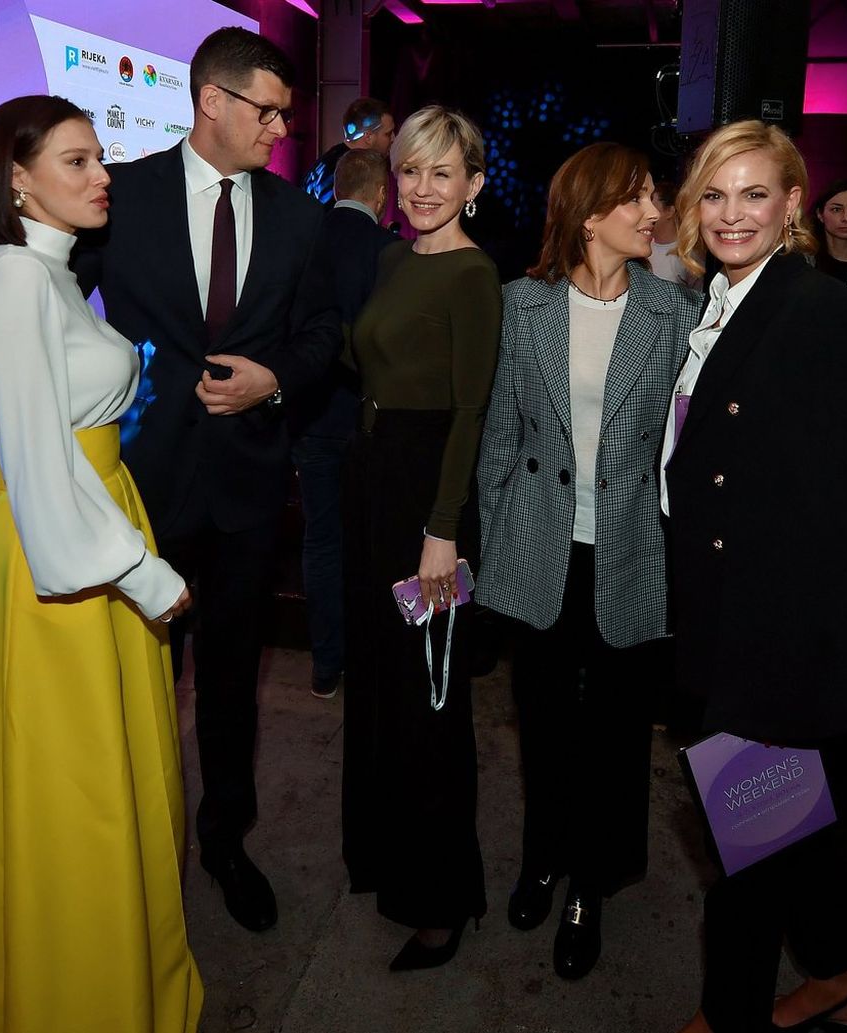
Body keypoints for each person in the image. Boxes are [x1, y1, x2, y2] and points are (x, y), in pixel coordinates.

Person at [0, 28, 339, 933]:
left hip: (247, 490)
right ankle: (145, 857)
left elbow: (321, 339)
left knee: (231, 683)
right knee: (136, 691)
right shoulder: (118, 197)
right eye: (266, 111)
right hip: (134, 495)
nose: (281, 129)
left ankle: (226, 842)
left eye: (284, 114)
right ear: (213, 101)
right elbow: (19, 327)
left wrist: (273, 380)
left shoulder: (299, 217)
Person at [0, 95, 200, 1033]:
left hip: (95, 532)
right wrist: (143, 573)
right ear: (17, 177)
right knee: (77, 790)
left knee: (111, 777)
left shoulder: (48, 274)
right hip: (65, 555)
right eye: (78, 160)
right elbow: (38, 461)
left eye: (101, 157)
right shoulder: (15, 278)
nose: (103, 177)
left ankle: (118, 983)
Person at [667, 121, 847, 1033]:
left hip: (771, 622)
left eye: (754, 193)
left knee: (746, 841)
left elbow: (829, 505)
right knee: (791, 825)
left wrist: (775, 651)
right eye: (714, 195)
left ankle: (731, 1012)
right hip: (721, 607)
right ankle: (838, 976)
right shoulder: (722, 300)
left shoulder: (820, 310)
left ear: (794, 203)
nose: (731, 214)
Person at [477, 142, 699, 980]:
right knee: (541, 722)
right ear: (589, 213)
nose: (655, 213)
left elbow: (685, 451)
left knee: (615, 733)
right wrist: (495, 550)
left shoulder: (675, 311)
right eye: (636, 199)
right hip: (540, 547)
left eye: (654, 197)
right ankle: (543, 856)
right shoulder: (522, 304)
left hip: (632, 551)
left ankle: (589, 885)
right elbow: (501, 439)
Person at [339, 104, 501, 971]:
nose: (424, 188)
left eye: (443, 172)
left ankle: (442, 899)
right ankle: (385, 858)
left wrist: (443, 532)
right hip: (376, 482)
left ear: (474, 183)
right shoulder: (393, 257)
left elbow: (471, 413)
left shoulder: (474, 275)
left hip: (430, 495)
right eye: (410, 170)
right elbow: (363, 360)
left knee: (430, 699)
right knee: (382, 683)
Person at [292, 148, 397, 700]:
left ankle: (325, 664)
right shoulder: (390, 251)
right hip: (367, 419)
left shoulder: (304, 240)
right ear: (381, 195)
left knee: (322, 540)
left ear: (336, 187)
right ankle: (367, 658)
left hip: (311, 415)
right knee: (371, 542)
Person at [303, 96, 396, 205]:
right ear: (368, 137)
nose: (393, 139)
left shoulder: (329, 161)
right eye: (388, 134)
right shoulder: (346, 170)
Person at [646, 178, 699, 288]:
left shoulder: (689, 255)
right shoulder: (643, 246)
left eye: (652, 205)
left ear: (670, 211)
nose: (646, 212)